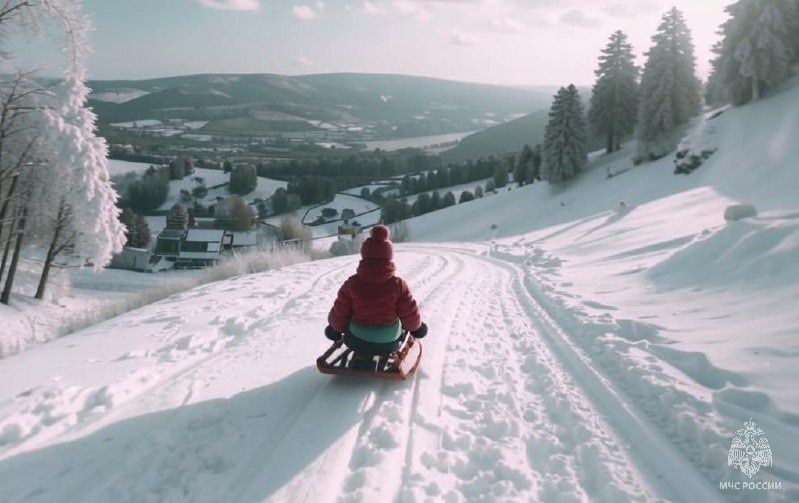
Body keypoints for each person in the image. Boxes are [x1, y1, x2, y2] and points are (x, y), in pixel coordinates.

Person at [325, 225, 427, 367]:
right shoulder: (398, 285)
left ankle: (361, 353)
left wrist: (334, 330)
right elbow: (409, 315)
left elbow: (340, 313)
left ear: (364, 254)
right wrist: (418, 328)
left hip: (356, 341)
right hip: (389, 342)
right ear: (389, 256)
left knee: (352, 325)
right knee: (399, 323)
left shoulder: (352, 284)